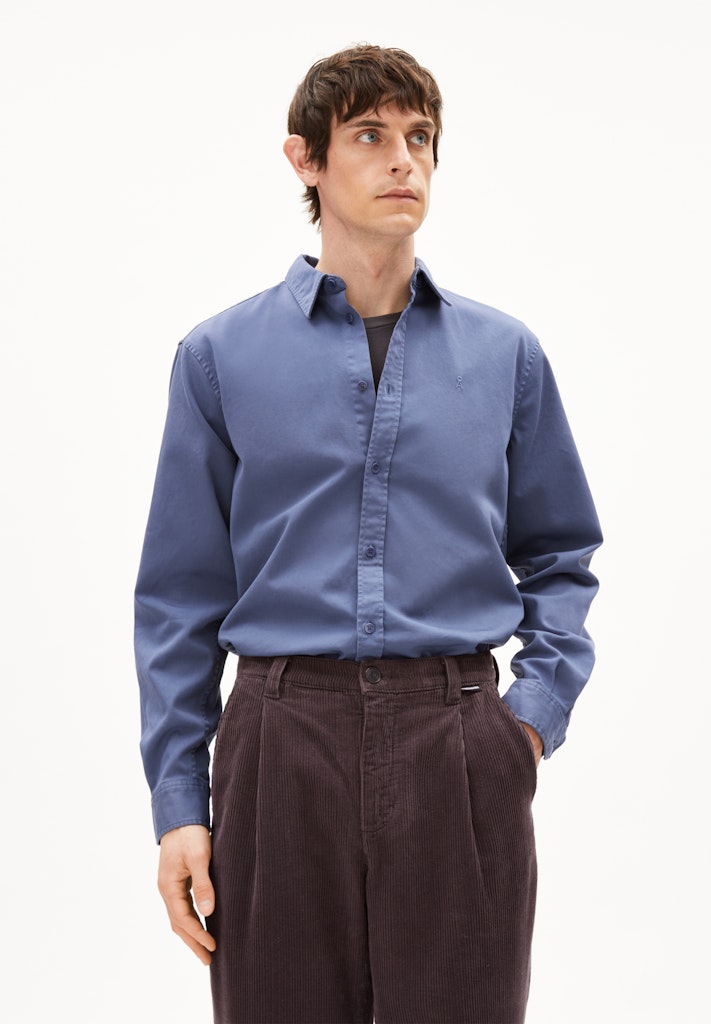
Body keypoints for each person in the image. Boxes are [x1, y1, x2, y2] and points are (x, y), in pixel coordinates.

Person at [135, 43, 602, 1024]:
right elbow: (179, 597)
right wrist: (179, 804)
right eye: (369, 135)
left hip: (458, 740)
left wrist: (525, 725)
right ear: (305, 160)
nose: (403, 159)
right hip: (279, 743)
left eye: (420, 137)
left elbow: (560, 556)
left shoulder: (505, 357)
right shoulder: (220, 357)